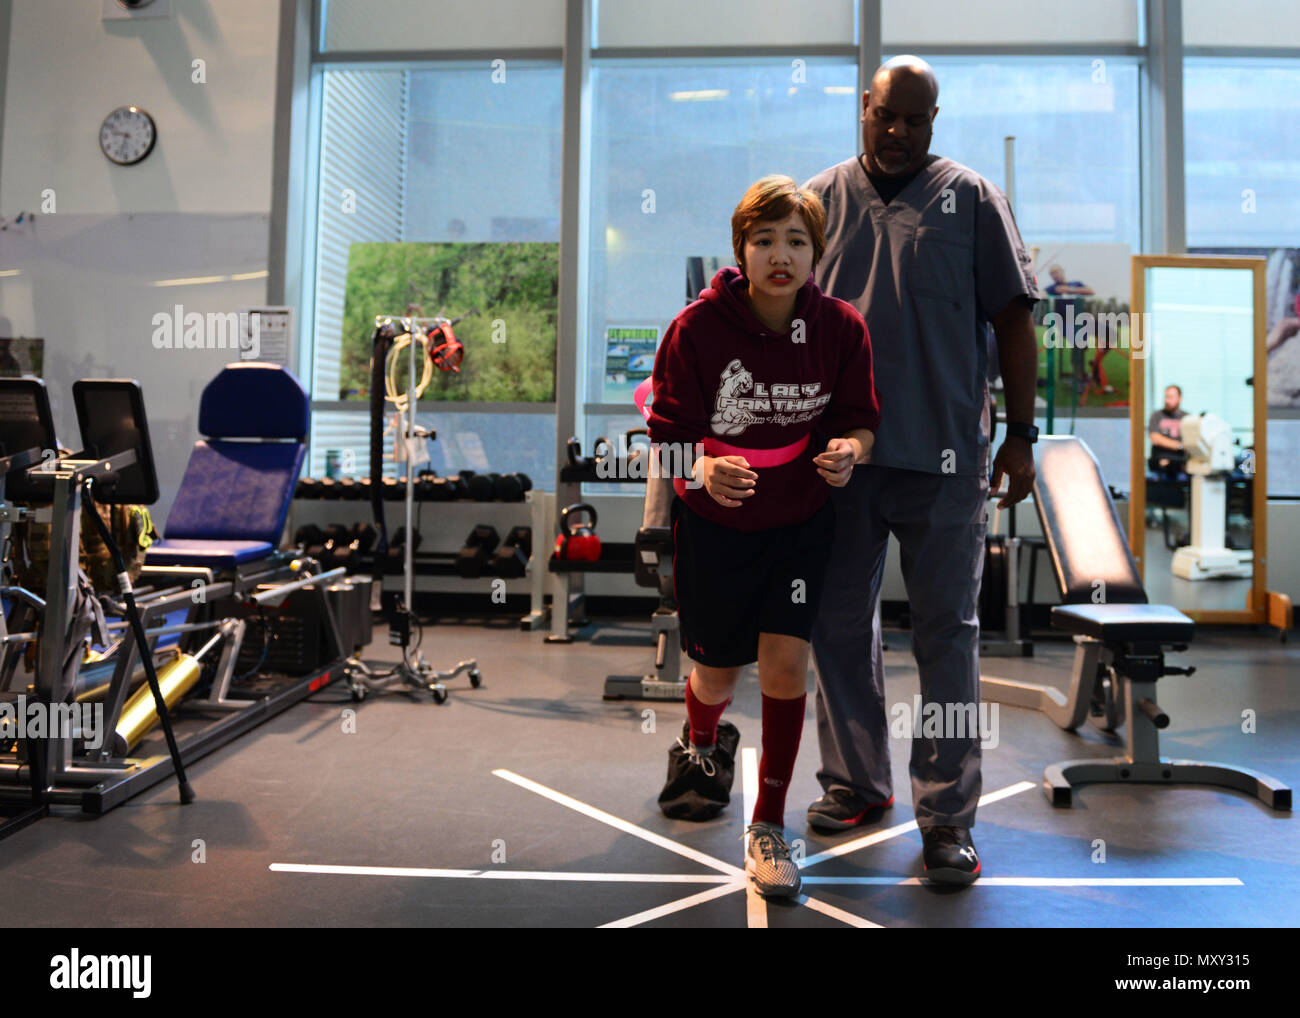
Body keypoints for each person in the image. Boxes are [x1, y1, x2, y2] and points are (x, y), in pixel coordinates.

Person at [801, 56, 1040, 886]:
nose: (900, 133)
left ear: (933, 121)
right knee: (836, 628)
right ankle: (856, 783)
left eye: (918, 120)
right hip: (840, 463)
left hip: (945, 458)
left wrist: (1020, 435)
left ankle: (947, 816)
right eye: (887, 116)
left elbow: (1013, 320)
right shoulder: (819, 202)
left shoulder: (970, 199)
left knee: (948, 637)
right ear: (863, 108)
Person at [645, 175, 880, 898]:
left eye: (797, 241)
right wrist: (704, 471)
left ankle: (769, 823)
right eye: (765, 240)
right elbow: (664, 445)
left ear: (817, 252)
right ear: (741, 250)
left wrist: (850, 453)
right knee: (717, 674)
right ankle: (703, 738)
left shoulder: (841, 327)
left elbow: (859, 421)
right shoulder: (696, 328)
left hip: (800, 522)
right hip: (715, 529)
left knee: (785, 667)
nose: (781, 255)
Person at [1148, 384, 1188, 475]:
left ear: (1179, 398)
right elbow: (1156, 438)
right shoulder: (1156, 416)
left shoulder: (1187, 418)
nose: (1167, 400)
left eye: (1170, 397)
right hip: (1160, 462)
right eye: (1166, 397)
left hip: (1181, 463)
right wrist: (1180, 446)